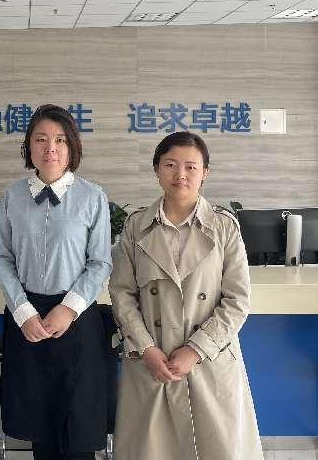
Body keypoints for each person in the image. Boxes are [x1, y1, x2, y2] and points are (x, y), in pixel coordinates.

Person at [109, 131, 262, 460]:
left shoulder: (224, 227)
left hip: (208, 361)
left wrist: (195, 349)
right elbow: (122, 293)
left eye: (191, 167)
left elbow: (237, 301)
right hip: (152, 363)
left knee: (215, 449)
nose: (181, 175)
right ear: (157, 169)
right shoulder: (136, 226)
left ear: (205, 172)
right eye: (170, 165)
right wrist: (147, 348)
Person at [0, 104, 112, 460]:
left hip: (77, 319)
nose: (50, 148)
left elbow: (100, 262)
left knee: (78, 432)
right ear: (28, 146)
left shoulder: (92, 196)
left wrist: (68, 309)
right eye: (41, 139)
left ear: (72, 146)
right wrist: (23, 311)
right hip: (27, 319)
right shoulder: (12, 196)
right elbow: (1, 258)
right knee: (40, 429)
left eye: (60, 140)